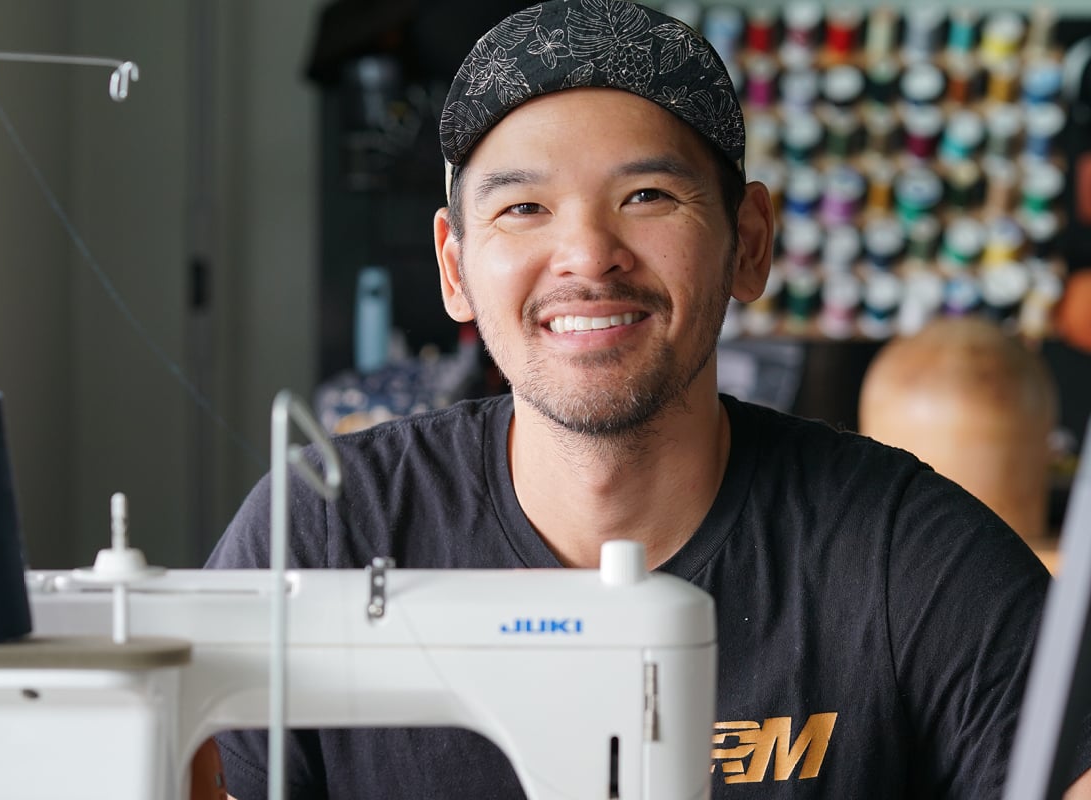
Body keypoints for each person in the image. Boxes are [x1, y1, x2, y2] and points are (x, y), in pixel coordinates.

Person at [207, 0, 1091, 797]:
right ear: (454, 267)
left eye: (647, 196)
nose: (588, 255)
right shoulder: (325, 529)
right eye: (523, 208)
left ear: (748, 244)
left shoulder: (905, 555)